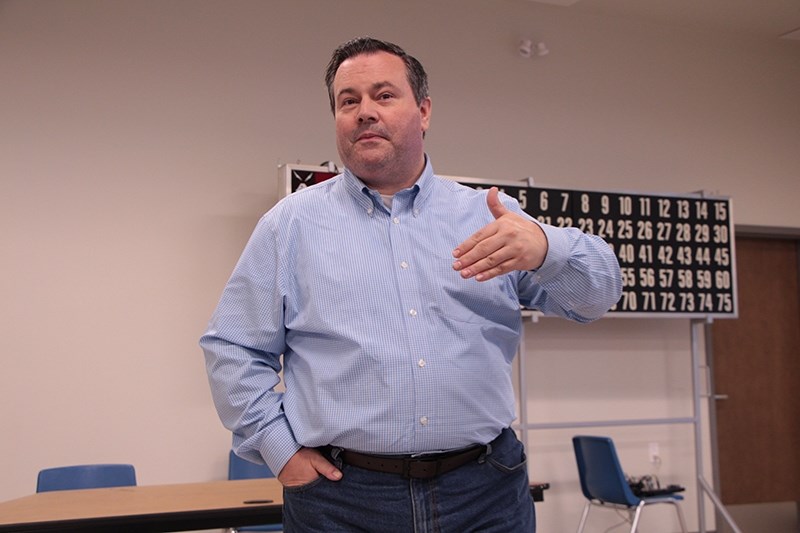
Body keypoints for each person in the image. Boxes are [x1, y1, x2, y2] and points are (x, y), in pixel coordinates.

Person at [201, 37, 622, 532]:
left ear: (423, 111)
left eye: (383, 95)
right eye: (348, 101)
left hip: (485, 493)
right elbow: (232, 348)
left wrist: (548, 248)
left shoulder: (487, 216)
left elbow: (596, 298)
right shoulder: (289, 226)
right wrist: (280, 450)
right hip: (343, 500)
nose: (364, 112)